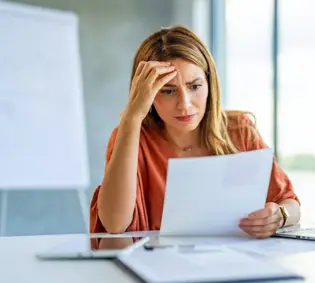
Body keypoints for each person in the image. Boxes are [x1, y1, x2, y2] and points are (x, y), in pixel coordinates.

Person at [89, 25, 300, 239]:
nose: (185, 105)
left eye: (195, 86)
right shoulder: (132, 137)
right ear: (147, 94)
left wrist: (279, 215)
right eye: (168, 91)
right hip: (158, 266)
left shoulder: (240, 131)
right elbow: (114, 224)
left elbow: (291, 204)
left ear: (209, 83)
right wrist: (131, 117)